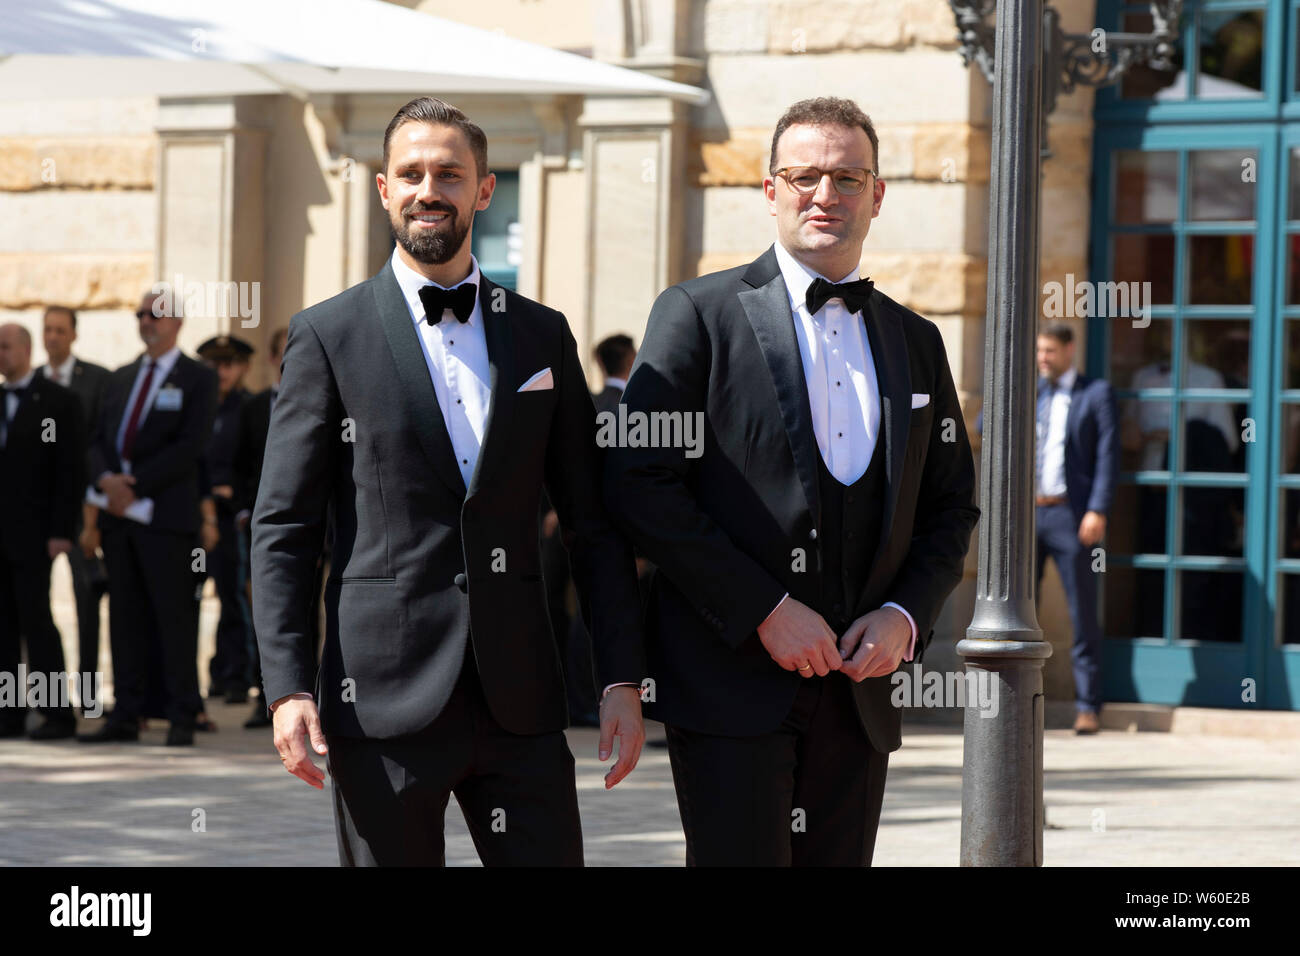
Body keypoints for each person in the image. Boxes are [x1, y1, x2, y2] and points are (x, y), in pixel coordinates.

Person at [252, 96, 646, 866]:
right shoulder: (328, 335)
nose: (429, 188)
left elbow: (593, 522)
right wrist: (287, 686)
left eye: (449, 173)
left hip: (523, 696)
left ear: (485, 190)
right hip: (381, 700)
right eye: (411, 173)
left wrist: (621, 678)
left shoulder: (541, 332)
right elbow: (285, 529)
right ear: (383, 189)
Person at [604, 96, 979, 866]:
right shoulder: (695, 314)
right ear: (769, 191)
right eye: (803, 175)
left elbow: (950, 504)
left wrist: (906, 615)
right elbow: (640, 481)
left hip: (861, 689)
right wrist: (764, 610)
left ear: (877, 196)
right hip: (728, 681)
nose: (824, 194)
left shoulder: (917, 339)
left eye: (847, 178)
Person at [78, 290, 218, 747]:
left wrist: (133, 484)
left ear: (176, 321)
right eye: (140, 314)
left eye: (155, 314)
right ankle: (127, 713)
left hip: (165, 518)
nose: (146, 321)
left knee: (173, 618)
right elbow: (96, 439)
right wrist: (106, 482)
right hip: (119, 518)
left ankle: (181, 715)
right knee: (124, 618)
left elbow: (189, 447)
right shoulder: (120, 378)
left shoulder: (198, 378)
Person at [0, 324, 84, 739]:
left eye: (6, 347)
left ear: (27, 350)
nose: (1, 354)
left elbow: (68, 472)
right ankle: (9, 713)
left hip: (34, 535)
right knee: (2, 626)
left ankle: (56, 714)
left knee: (37, 621)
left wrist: (61, 530)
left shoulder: (56, 401)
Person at [1034, 324, 1118, 735]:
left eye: (1050, 351)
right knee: (1013, 609)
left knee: (1081, 611)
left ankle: (1088, 706)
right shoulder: (1029, 391)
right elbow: (982, 425)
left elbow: (1107, 455)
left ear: (1069, 351)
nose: (1043, 358)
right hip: (1026, 515)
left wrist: (1098, 509)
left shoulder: (1095, 393)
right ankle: (1016, 699)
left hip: (1071, 515)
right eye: (1039, 351)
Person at [37, 306, 111, 690]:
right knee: (33, 604)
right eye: (47, 330)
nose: (53, 337)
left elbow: (100, 448)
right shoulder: (30, 383)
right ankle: (41, 694)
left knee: (87, 600)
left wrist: (93, 519)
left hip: (83, 511)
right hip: (39, 513)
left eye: (60, 330)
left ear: (74, 335)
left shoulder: (98, 381)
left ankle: (86, 691)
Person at [233, 326, 293, 728]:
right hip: (262, 526)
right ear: (273, 358)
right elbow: (238, 464)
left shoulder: (328, 399)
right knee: (267, 611)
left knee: (309, 612)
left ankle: (315, 693)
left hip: (317, 530)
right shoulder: (253, 408)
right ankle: (267, 696)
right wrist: (241, 510)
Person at [196, 334, 254, 705]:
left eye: (229, 363)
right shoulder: (197, 405)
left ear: (244, 366)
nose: (222, 371)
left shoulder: (248, 407)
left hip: (231, 515)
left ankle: (235, 674)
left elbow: (252, 462)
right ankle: (209, 674)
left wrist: (236, 494)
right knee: (191, 596)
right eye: (214, 364)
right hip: (196, 514)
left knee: (234, 598)